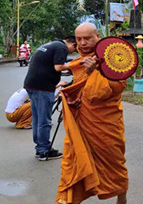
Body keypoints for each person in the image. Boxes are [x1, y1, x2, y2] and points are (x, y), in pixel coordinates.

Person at [56, 23, 128, 204]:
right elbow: (83, 89)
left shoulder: (113, 58)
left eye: (87, 38)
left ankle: (122, 198)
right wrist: (73, 98)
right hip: (82, 121)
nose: (82, 43)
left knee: (114, 164)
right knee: (73, 161)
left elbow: (111, 89)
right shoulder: (78, 63)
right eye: (79, 39)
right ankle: (69, 199)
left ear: (98, 37)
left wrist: (94, 71)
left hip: (106, 123)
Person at [23, 36, 76, 161]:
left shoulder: (51, 44)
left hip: (32, 85)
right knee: (45, 121)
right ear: (73, 44)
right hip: (43, 87)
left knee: (37, 119)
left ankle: (40, 148)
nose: (72, 52)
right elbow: (58, 67)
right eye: (75, 49)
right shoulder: (61, 47)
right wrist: (76, 65)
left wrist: (68, 67)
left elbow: (54, 67)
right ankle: (44, 151)